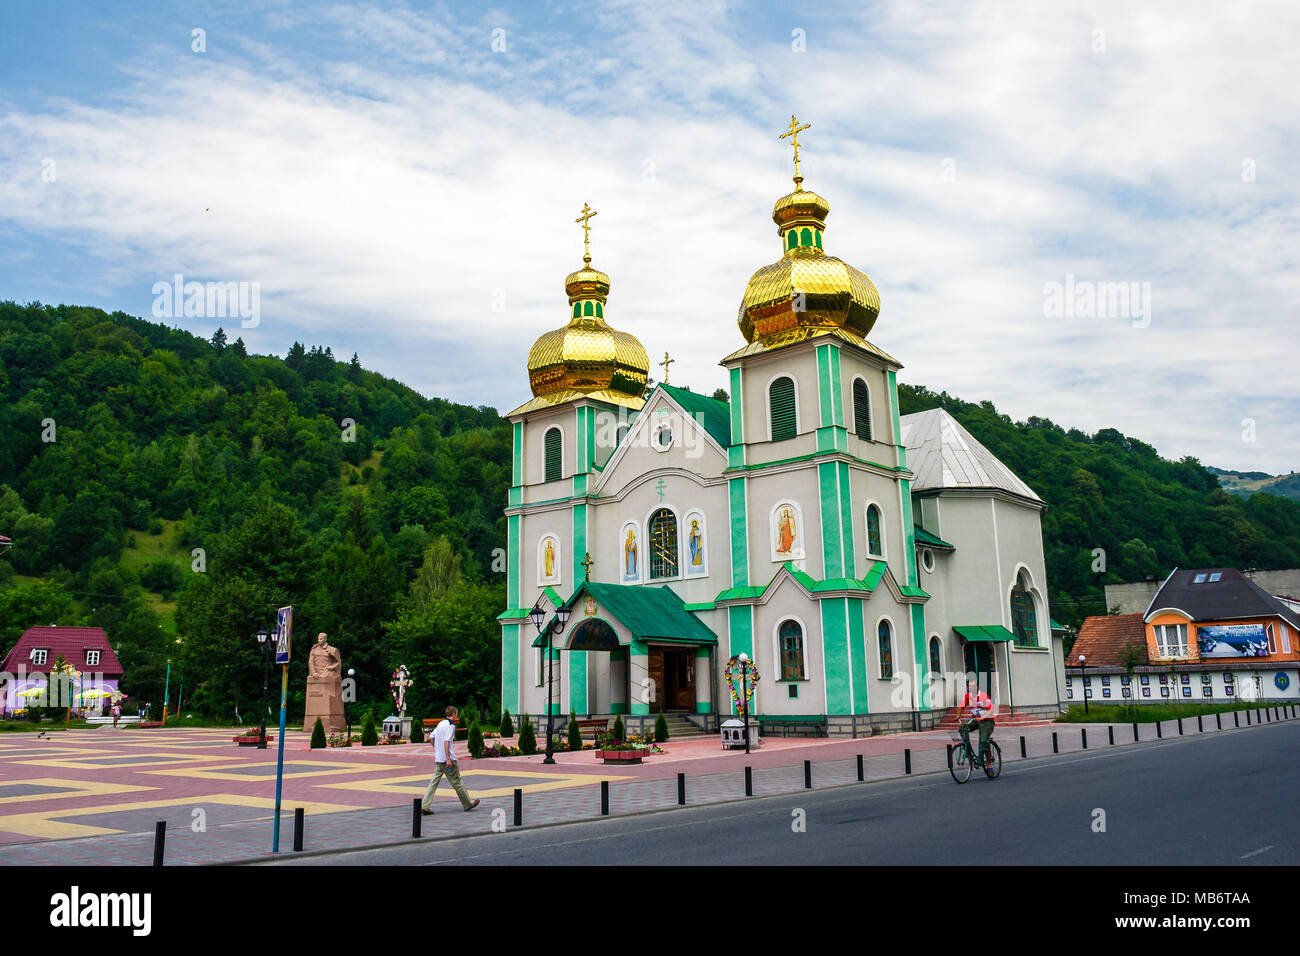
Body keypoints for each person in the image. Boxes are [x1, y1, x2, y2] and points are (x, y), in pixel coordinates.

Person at [421, 706, 480, 815]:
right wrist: (448, 758)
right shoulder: (450, 725)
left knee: (433, 783)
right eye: (456, 714)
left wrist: (437, 749)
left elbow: (430, 738)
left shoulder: (441, 723)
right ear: (453, 714)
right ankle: (467, 804)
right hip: (448, 760)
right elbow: (447, 742)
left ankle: (425, 805)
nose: (456, 716)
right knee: (457, 781)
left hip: (439, 759)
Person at [958, 679, 995, 763]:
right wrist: (958, 715)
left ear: (977, 686)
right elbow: (961, 707)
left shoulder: (983, 695)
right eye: (970, 686)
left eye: (973, 686)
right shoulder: (968, 696)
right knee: (963, 728)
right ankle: (967, 750)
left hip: (987, 721)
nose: (971, 688)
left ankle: (989, 764)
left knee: (983, 740)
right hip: (975, 719)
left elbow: (991, 709)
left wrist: (982, 718)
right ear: (967, 687)